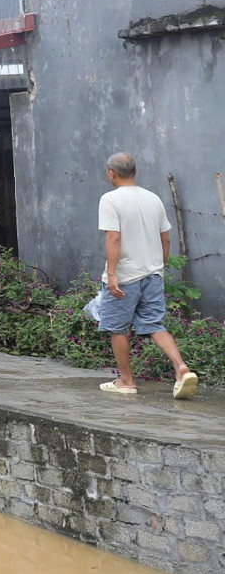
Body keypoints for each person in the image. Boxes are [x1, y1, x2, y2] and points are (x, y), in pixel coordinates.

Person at [92, 153, 198, 398]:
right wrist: (158, 266)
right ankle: (181, 368)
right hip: (152, 274)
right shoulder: (153, 199)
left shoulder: (110, 200)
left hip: (125, 276)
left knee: (117, 328)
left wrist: (112, 273)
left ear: (111, 173)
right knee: (153, 324)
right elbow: (166, 237)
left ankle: (126, 381)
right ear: (135, 172)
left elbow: (113, 237)